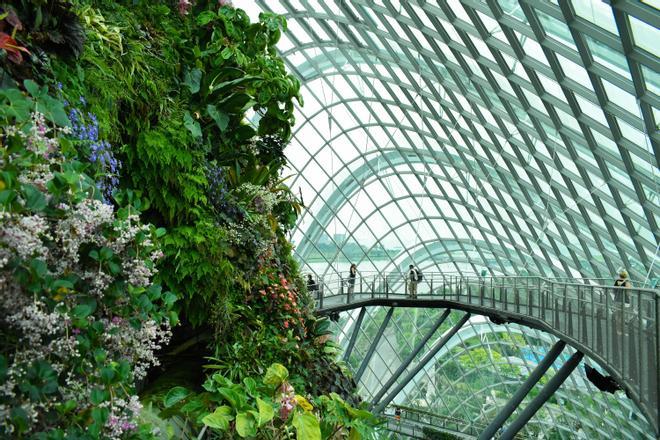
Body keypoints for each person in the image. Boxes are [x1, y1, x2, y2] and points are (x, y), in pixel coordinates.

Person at [613, 269, 632, 334]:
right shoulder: (627, 283)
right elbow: (628, 293)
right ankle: (621, 330)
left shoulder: (617, 282)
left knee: (618, 316)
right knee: (623, 317)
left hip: (617, 300)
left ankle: (618, 330)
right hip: (624, 301)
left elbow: (614, 291)